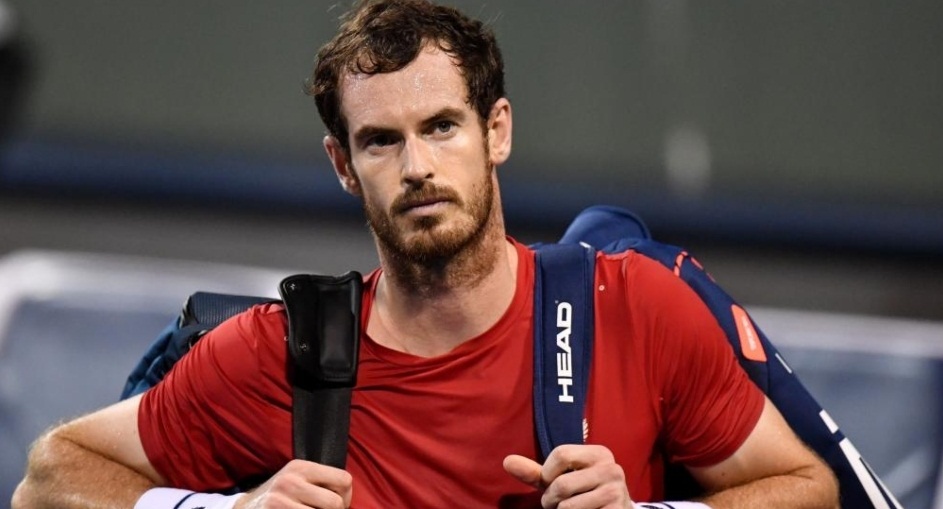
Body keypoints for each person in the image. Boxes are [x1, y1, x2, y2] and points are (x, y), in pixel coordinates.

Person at [12, 1, 839, 508]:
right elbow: (51, 478)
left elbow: (810, 490)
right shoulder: (281, 355)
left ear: (496, 131)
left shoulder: (633, 309)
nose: (416, 166)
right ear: (343, 165)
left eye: (441, 126)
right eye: (380, 140)